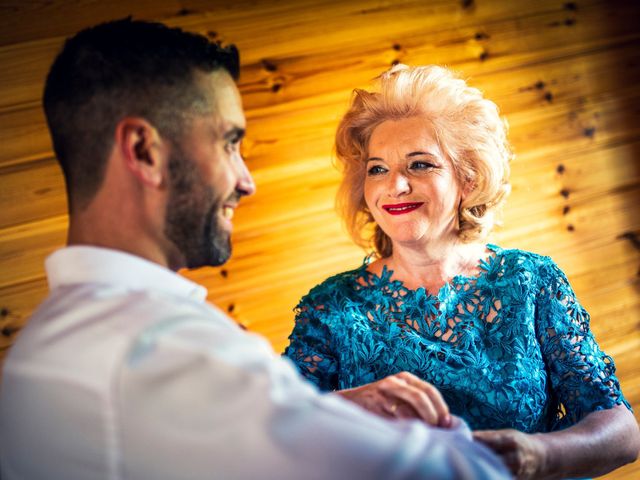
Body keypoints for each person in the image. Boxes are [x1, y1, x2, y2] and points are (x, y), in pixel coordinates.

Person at [0, 20, 509, 480]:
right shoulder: (166, 348)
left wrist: (328, 411)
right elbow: (456, 474)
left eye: (420, 165)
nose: (247, 182)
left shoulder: (40, 346)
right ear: (144, 151)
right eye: (228, 143)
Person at [284, 64, 640, 479]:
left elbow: (622, 432)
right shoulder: (330, 308)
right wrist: (342, 405)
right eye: (377, 169)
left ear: (467, 180)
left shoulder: (530, 281)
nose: (394, 186)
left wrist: (537, 455)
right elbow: (272, 428)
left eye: (420, 165)